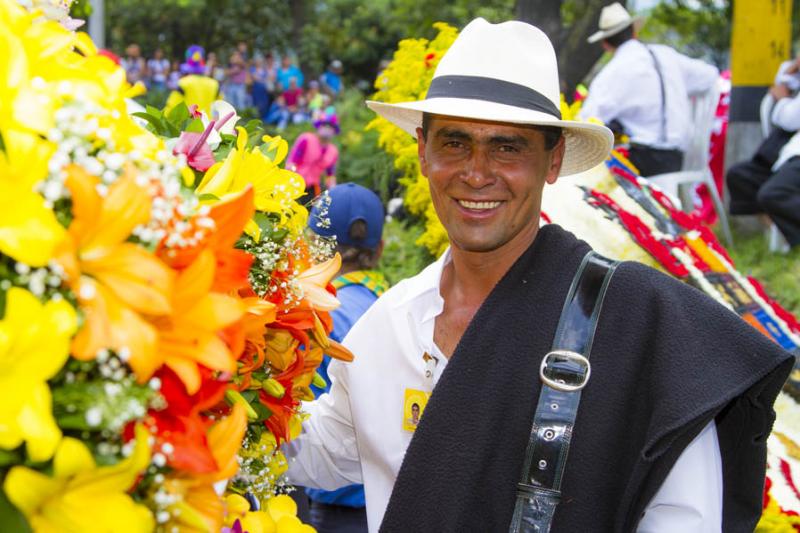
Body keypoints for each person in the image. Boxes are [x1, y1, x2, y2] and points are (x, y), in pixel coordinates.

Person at [285, 18, 792, 532]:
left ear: (553, 161)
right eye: (455, 143)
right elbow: (327, 450)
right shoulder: (387, 326)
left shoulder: (640, 333)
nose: (477, 172)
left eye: (508, 147)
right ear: (422, 151)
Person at [303, 183, 388, 533]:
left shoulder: (319, 317)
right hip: (386, 499)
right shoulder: (394, 308)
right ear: (380, 249)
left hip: (334, 502)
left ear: (313, 250)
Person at [579, 3, 719, 176]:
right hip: (677, 157)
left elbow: (587, 123)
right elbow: (710, 75)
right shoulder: (667, 55)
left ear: (605, 44)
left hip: (643, 161)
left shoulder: (613, 72)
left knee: (589, 169)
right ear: (634, 33)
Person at [727, 54, 800, 249]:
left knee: (774, 193)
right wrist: (793, 68)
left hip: (795, 154)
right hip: (784, 153)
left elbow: (789, 118)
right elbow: (782, 81)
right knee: (741, 176)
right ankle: (780, 239)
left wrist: (783, 98)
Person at [287, 112, 340, 204]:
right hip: (294, 181)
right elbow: (293, 161)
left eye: (330, 126)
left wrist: (334, 190)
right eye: (325, 125)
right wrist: (290, 180)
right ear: (319, 126)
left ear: (334, 130)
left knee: (310, 212)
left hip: (312, 187)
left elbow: (330, 174)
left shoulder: (333, 151)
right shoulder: (306, 139)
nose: (327, 129)